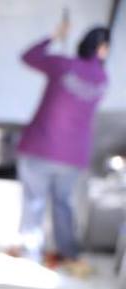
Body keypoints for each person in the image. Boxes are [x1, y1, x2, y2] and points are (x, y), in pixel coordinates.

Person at [17, 18, 110, 274]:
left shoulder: (61, 65)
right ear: (102, 49)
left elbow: (28, 56)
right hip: (73, 155)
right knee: (63, 203)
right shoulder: (102, 78)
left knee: (34, 201)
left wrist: (54, 35)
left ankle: (30, 255)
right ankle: (69, 253)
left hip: (41, 147)